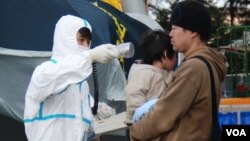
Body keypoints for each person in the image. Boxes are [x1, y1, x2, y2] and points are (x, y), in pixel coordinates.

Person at [130, 1, 228, 141]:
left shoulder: (193, 68)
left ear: (193, 31)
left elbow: (163, 116)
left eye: (175, 28)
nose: (170, 34)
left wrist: (133, 132)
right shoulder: (208, 63)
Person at [23, 15, 120, 141]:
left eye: (88, 42)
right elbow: (61, 74)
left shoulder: (82, 85)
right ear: (65, 39)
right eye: (81, 40)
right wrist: (89, 57)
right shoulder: (44, 72)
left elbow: (80, 127)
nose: (85, 46)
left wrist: (99, 114)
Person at [125, 30, 176, 125]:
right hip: (144, 125)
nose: (175, 60)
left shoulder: (168, 74)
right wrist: (138, 118)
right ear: (165, 54)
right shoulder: (143, 73)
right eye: (174, 55)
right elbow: (133, 95)